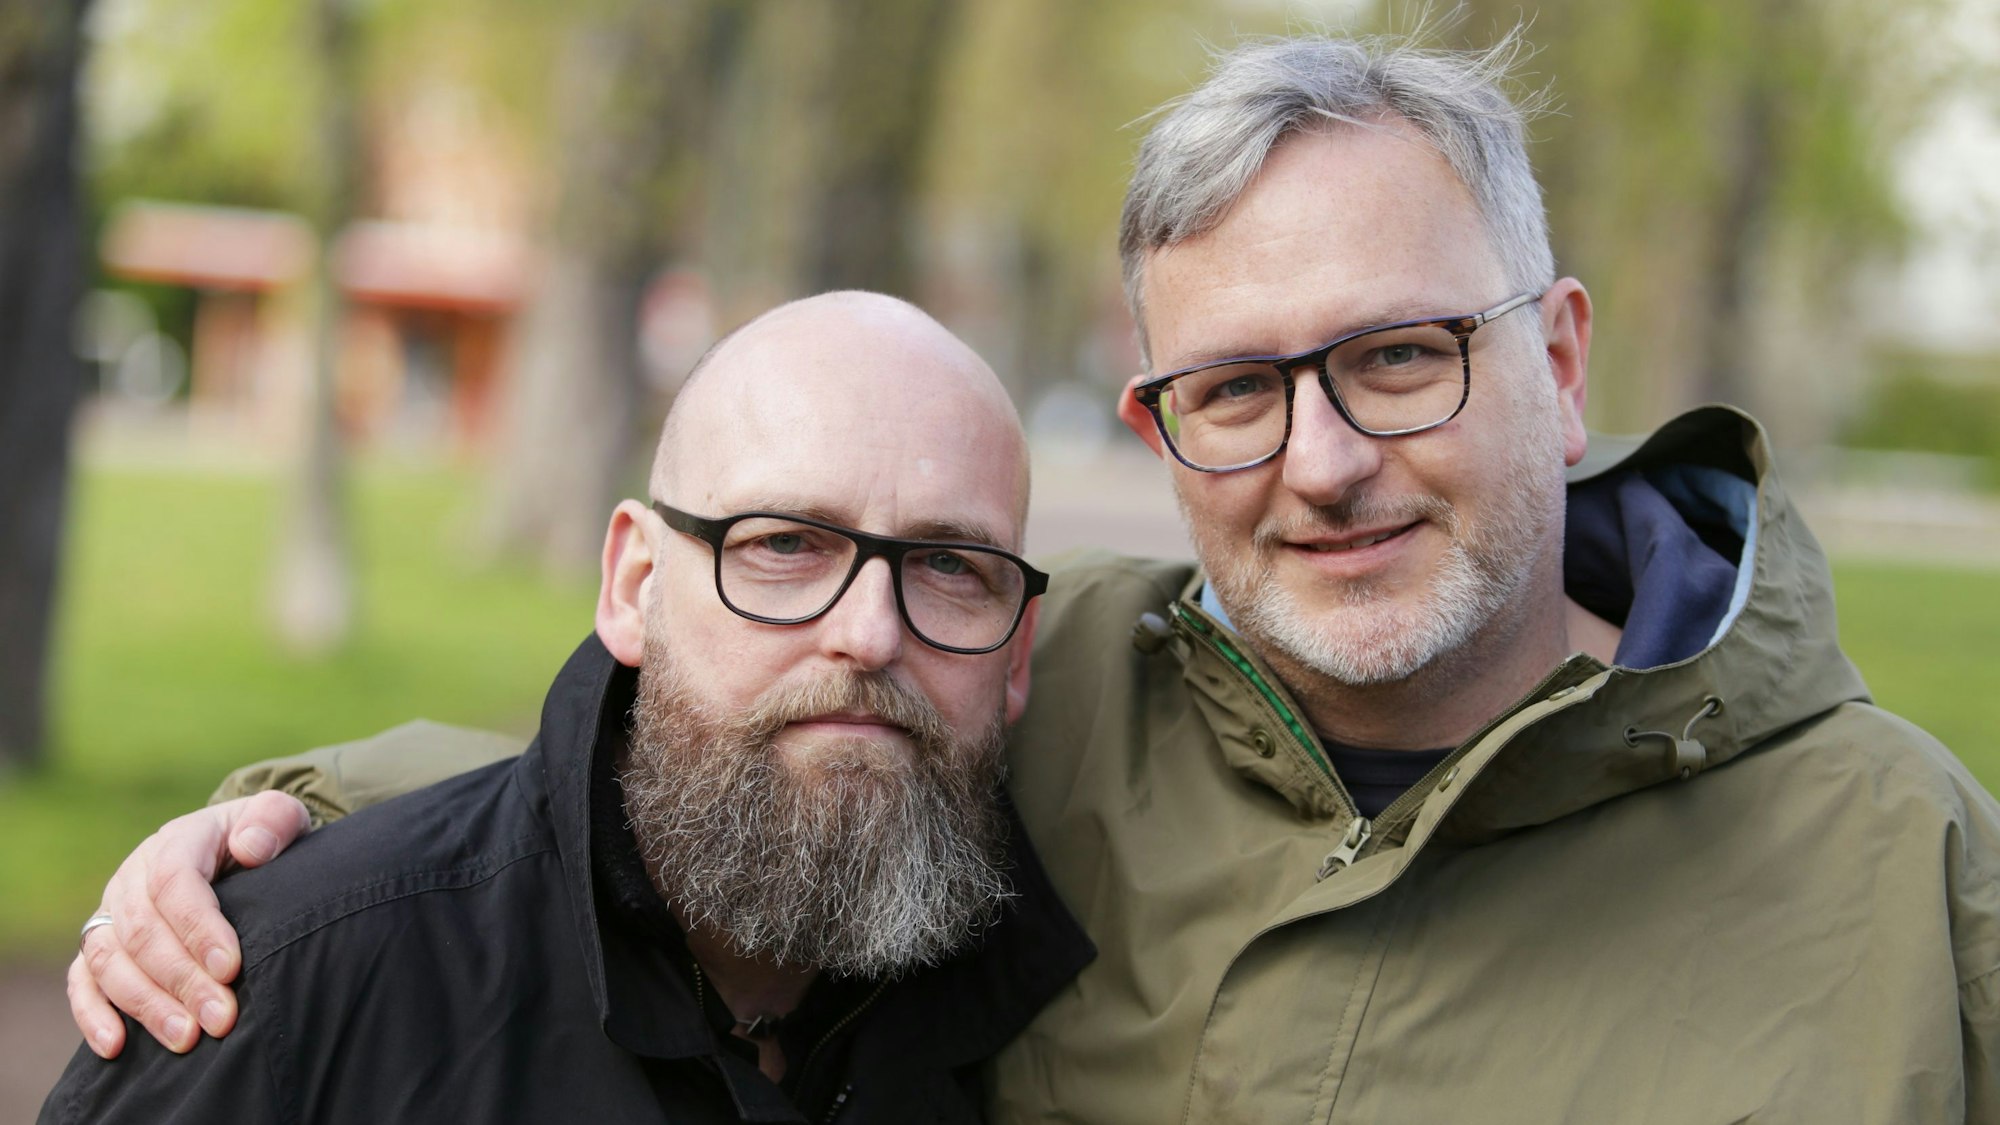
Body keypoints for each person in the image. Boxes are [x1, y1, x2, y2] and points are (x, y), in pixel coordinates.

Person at [70, 33, 2000, 1123]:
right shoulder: (1061, 684)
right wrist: (281, 831)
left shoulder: (1913, 884)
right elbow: (710, 764)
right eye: (1237, 389)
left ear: (1561, 358)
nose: (1321, 463)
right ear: (1161, 439)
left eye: (1400, 357)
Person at [41, 291, 1092, 1124]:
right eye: (783, 544)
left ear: (1015, 656)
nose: (869, 632)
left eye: (952, 565)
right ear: (634, 584)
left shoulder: (1057, 1030)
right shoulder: (283, 998)